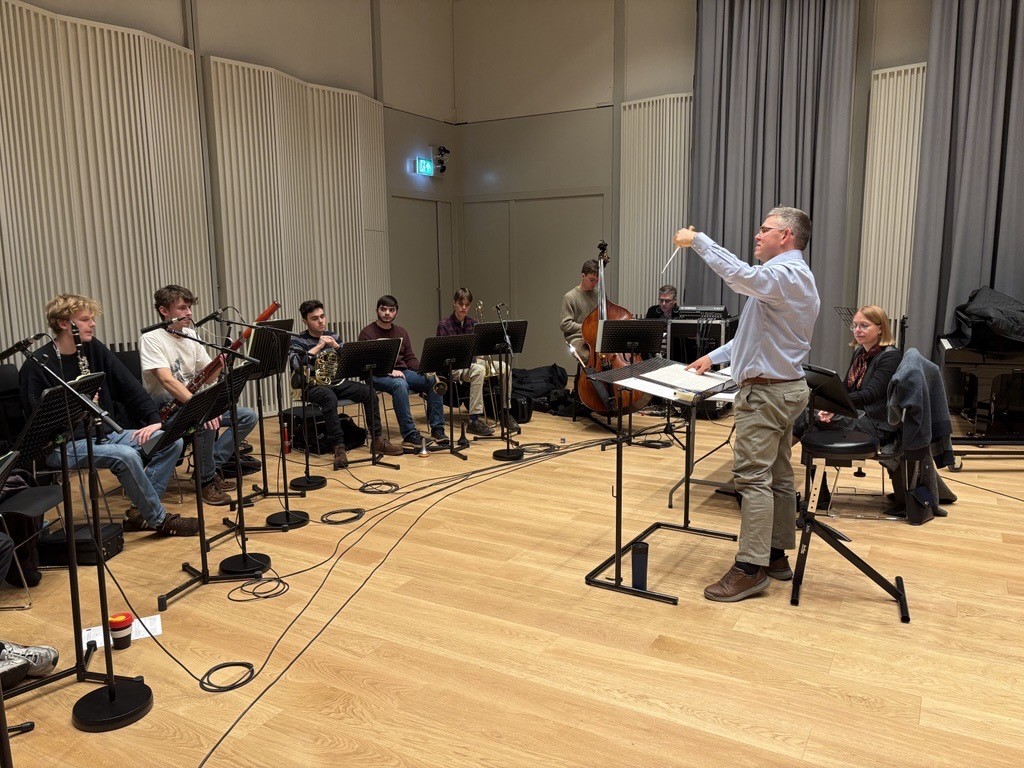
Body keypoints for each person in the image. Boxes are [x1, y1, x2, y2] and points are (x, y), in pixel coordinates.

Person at [673, 206, 819, 603]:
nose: (757, 235)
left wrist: (697, 241)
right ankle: (774, 556)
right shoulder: (788, 280)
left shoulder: (784, 275)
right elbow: (756, 336)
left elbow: (739, 277)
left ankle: (749, 568)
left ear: (785, 236)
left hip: (767, 394)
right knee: (779, 475)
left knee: (752, 479)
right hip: (785, 388)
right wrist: (715, 357)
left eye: (765, 229)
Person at [20, 294, 199, 536]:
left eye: (92, 319)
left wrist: (154, 420)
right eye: (85, 319)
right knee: (125, 455)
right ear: (63, 323)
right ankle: (160, 520)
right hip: (62, 444)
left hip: (100, 434)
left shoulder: (93, 348)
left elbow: (128, 386)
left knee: (170, 441)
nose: (92, 324)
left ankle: (140, 513)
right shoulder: (38, 365)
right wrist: (77, 407)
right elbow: (39, 423)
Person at [139, 285, 260, 506]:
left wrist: (220, 363)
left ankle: (209, 466)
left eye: (190, 308)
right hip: (166, 409)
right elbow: (166, 380)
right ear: (164, 311)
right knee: (204, 422)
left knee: (246, 416)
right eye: (182, 308)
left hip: (191, 402)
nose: (189, 313)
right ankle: (205, 481)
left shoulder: (191, 335)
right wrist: (202, 408)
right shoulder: (151, 338)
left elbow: (209, 377)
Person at [288, 299, 403, 469]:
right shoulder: (298, 340)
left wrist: (338, 347)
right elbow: (296, 365)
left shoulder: (332, 336)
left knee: (368, 392)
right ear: (305, 321)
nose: (320, 321)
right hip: (310, 386)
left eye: (322, 316)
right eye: (315, 318)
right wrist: (317, 348)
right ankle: (339, 447)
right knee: (328, 398)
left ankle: (377, 439)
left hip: (336, 382)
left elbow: (351, 361)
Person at [794, 305, 902, 443]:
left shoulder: (890, 357)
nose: (857, 330)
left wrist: (835, 408)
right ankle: (777, 461)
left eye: (864, 325)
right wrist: (831, 407)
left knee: (807, 415)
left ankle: (775, 461)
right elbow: (846, 387)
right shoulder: (860, 353)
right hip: (857, 414)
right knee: (809, 413)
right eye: (855, 325)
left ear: (880, 328)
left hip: (877, 424)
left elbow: (870, 395)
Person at [358, 295, 447, 451]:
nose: (387, 313)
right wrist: (388, 371)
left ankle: (438, 429)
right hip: (377, 375)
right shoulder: (367, 333)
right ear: (377, 310)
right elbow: (365, 364)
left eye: (391, 310)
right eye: (383, 309)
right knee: (400, 384)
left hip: (402, 371)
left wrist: (425, 370)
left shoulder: (401, 331)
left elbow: (410, 358)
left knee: (433, 380)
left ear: (396, 312)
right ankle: (409, 435)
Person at [436, 288, 518, 436]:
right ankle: (473, 420)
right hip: (456, 367)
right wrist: (473, 360)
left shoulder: (474, 323)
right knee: (478, 370)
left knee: (505, 367)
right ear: (454, 303)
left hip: (473, 363)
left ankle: (505, 411)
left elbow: (480, 348)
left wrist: (480, 356)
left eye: (467, 305)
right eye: (460, 304)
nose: (463, 308)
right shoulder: (444, 325)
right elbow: (445, 354)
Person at [560, 259, 601, 356]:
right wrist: (587, 327)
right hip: (578, 337)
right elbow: (565, 324)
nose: (594, 284)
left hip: (596, 336)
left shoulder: (599, 296)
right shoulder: (570, 297)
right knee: (587, 356)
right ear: (583, 276)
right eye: (591, 280)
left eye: (597, 281)